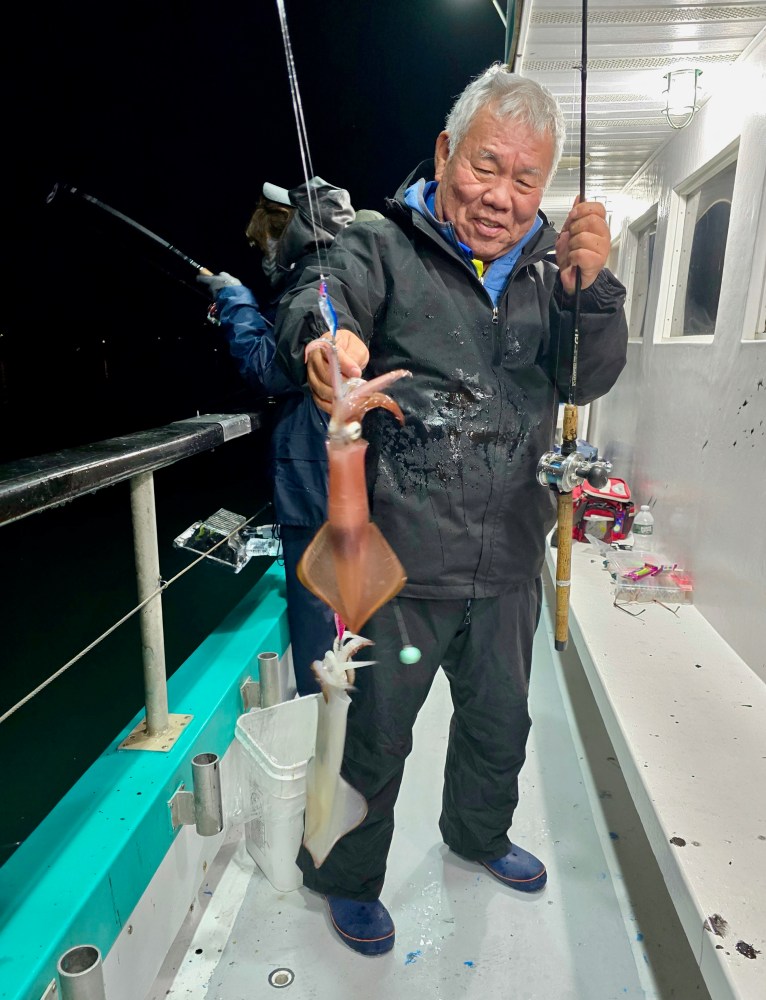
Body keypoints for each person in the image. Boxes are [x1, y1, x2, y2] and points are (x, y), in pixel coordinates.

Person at [274, 62, 629, 956]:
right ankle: (344, 872)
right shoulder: (383, 242)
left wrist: (597, 288)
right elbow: (319, 293)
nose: (501, 196)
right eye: (485, 165)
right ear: (444, 152)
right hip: (395, 564)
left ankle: (476, 834)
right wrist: (327, 339)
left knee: (499, 724)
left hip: (510, 555)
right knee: (374, 735)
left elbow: (591, 372)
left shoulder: (556, 273)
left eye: (525, 178)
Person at [197, 176, 357, 696]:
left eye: (262, 239)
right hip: (341, 481)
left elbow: (273, 370)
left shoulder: (316, 283)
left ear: (288, 231)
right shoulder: (344, 277)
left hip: (317, 488)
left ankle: (330, 736)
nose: (261, 250)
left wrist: (237, 303)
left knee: (321, 632)